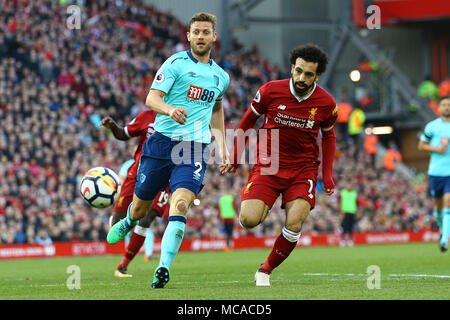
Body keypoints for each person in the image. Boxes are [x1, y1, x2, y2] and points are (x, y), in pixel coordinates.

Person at [107, 12, 230, 288]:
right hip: (161, 144)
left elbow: (217, 109)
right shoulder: (174, 63)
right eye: (195, 31)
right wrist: (169, 109)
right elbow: (152, 98)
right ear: (188, 35)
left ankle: (163, 268)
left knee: (181, 204)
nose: (200, 36)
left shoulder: (221, 77)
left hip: (194, 149)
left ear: (214, 37)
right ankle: (128, 220)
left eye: (205, 32)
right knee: (140, 209)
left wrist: (223, 147)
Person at [223, 43, 337, 286]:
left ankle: (265, 270)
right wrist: (235, 156)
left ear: (317, 76)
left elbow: (329, 136)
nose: (301, 78)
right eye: (298, 71)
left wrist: (327, 175)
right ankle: (257, 209)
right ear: (292, 68)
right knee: (249, 220)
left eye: (308, 74)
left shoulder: (326, 103)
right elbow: (247, 122)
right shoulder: (270, 91)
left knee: (294, 223)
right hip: (269, 165)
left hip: (303, 169)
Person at [101, 112, 170, 277]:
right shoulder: (147, 115)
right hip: (137, 173)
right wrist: (112, 127)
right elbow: (123, 134)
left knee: (146, 219)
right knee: (116, 222)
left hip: (165, 177)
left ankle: (123, 266)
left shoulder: (185, 114)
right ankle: (130, 225)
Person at [418, 95, 450, 252]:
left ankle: (444, 239)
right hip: (436, 173)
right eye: (444, 105)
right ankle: (442, 229)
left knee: (448, 203)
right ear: (439, 108)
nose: (447, 107)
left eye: (449, 105)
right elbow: (421, 145)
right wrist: (438, 149)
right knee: (438, 207)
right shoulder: (432, 126)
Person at [218, 187, 239, 251]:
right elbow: (235, 207)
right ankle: (228, 246)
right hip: (230, 218)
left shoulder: (221, 199)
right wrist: (237, 215)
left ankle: (227, 246)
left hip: (224, 218)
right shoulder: (231, 199)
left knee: (226, 233)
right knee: (230, 233)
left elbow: (219, 209)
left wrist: (220, 217)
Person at [339, 180, 358, 247]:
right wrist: (340, 211)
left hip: (352, 212)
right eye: (348, 185)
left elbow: (356, 203)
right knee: (344, 227)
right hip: (345, 212)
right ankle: (342, 241)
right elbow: (340, 202)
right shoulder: (343, 192)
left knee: (351, 227)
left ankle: (350, 240)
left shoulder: (354, 193)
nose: (349, 186)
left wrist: (356, 212)